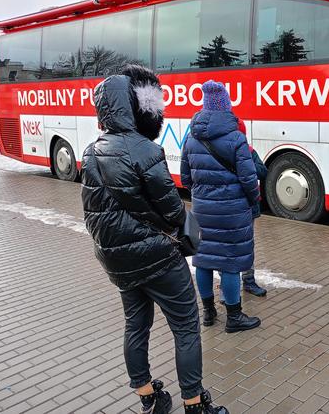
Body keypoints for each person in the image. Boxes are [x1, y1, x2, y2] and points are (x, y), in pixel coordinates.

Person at [80, 65, 227, 414]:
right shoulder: (145, 150)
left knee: (136, 325)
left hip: (118, 262)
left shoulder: (89, 153)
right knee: (186, 327)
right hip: (158, 258)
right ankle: (194, 402)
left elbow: (92, 213)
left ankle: (149, 396)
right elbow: (173, 210)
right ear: (132, 106)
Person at [180, 81, 261, 333]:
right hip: (233, 212)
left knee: (203, 260)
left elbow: (185, 179)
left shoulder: (191, 138)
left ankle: (208, 312)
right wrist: (252, 200)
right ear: (226, 105)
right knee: (230, 262)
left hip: (203, 210)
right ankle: (234, 318)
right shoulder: (236, 138)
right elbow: (249, 179)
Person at [237, 117, 268, 297]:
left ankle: (248, 280)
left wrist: (245, 165)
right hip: (239, 205)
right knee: (240, 245)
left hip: (248, 205)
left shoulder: (249, 151)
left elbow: (263, 171)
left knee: (247, 244)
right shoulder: (234, 151)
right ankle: (241, 282)